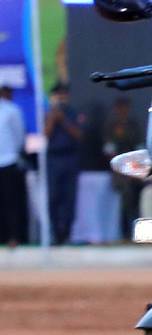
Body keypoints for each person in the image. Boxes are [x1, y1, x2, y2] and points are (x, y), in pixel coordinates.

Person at [44, 82, 86, 246]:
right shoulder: (48, 114)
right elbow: (46, 134)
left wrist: (64, 122)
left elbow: (79, 135)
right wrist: (54, 118)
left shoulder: (73, 113)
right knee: (54, 197)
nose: (61, 98)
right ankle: (56, 233)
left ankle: (67, 232)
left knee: (69, 197)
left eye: (63, 95)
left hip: (70, 157)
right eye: (58, 95)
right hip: (54, 158)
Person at [102, 96, 144, 240]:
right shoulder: (111, 127)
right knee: (123, 202)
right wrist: (120, 167)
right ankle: (124, 233)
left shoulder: (134, 125)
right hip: (119, 170)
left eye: (125, 108)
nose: (123, 111)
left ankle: (135, 232)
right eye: (120, 108)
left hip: (135, 169)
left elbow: (139, 146)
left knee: (136, 200)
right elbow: (109, 149)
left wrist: (135, 167)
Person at [0, 85, 27, 247]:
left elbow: (19, 135)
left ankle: (14, 236)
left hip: (8, 160)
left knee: (11, 201)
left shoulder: (11, 110)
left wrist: (14, 152)